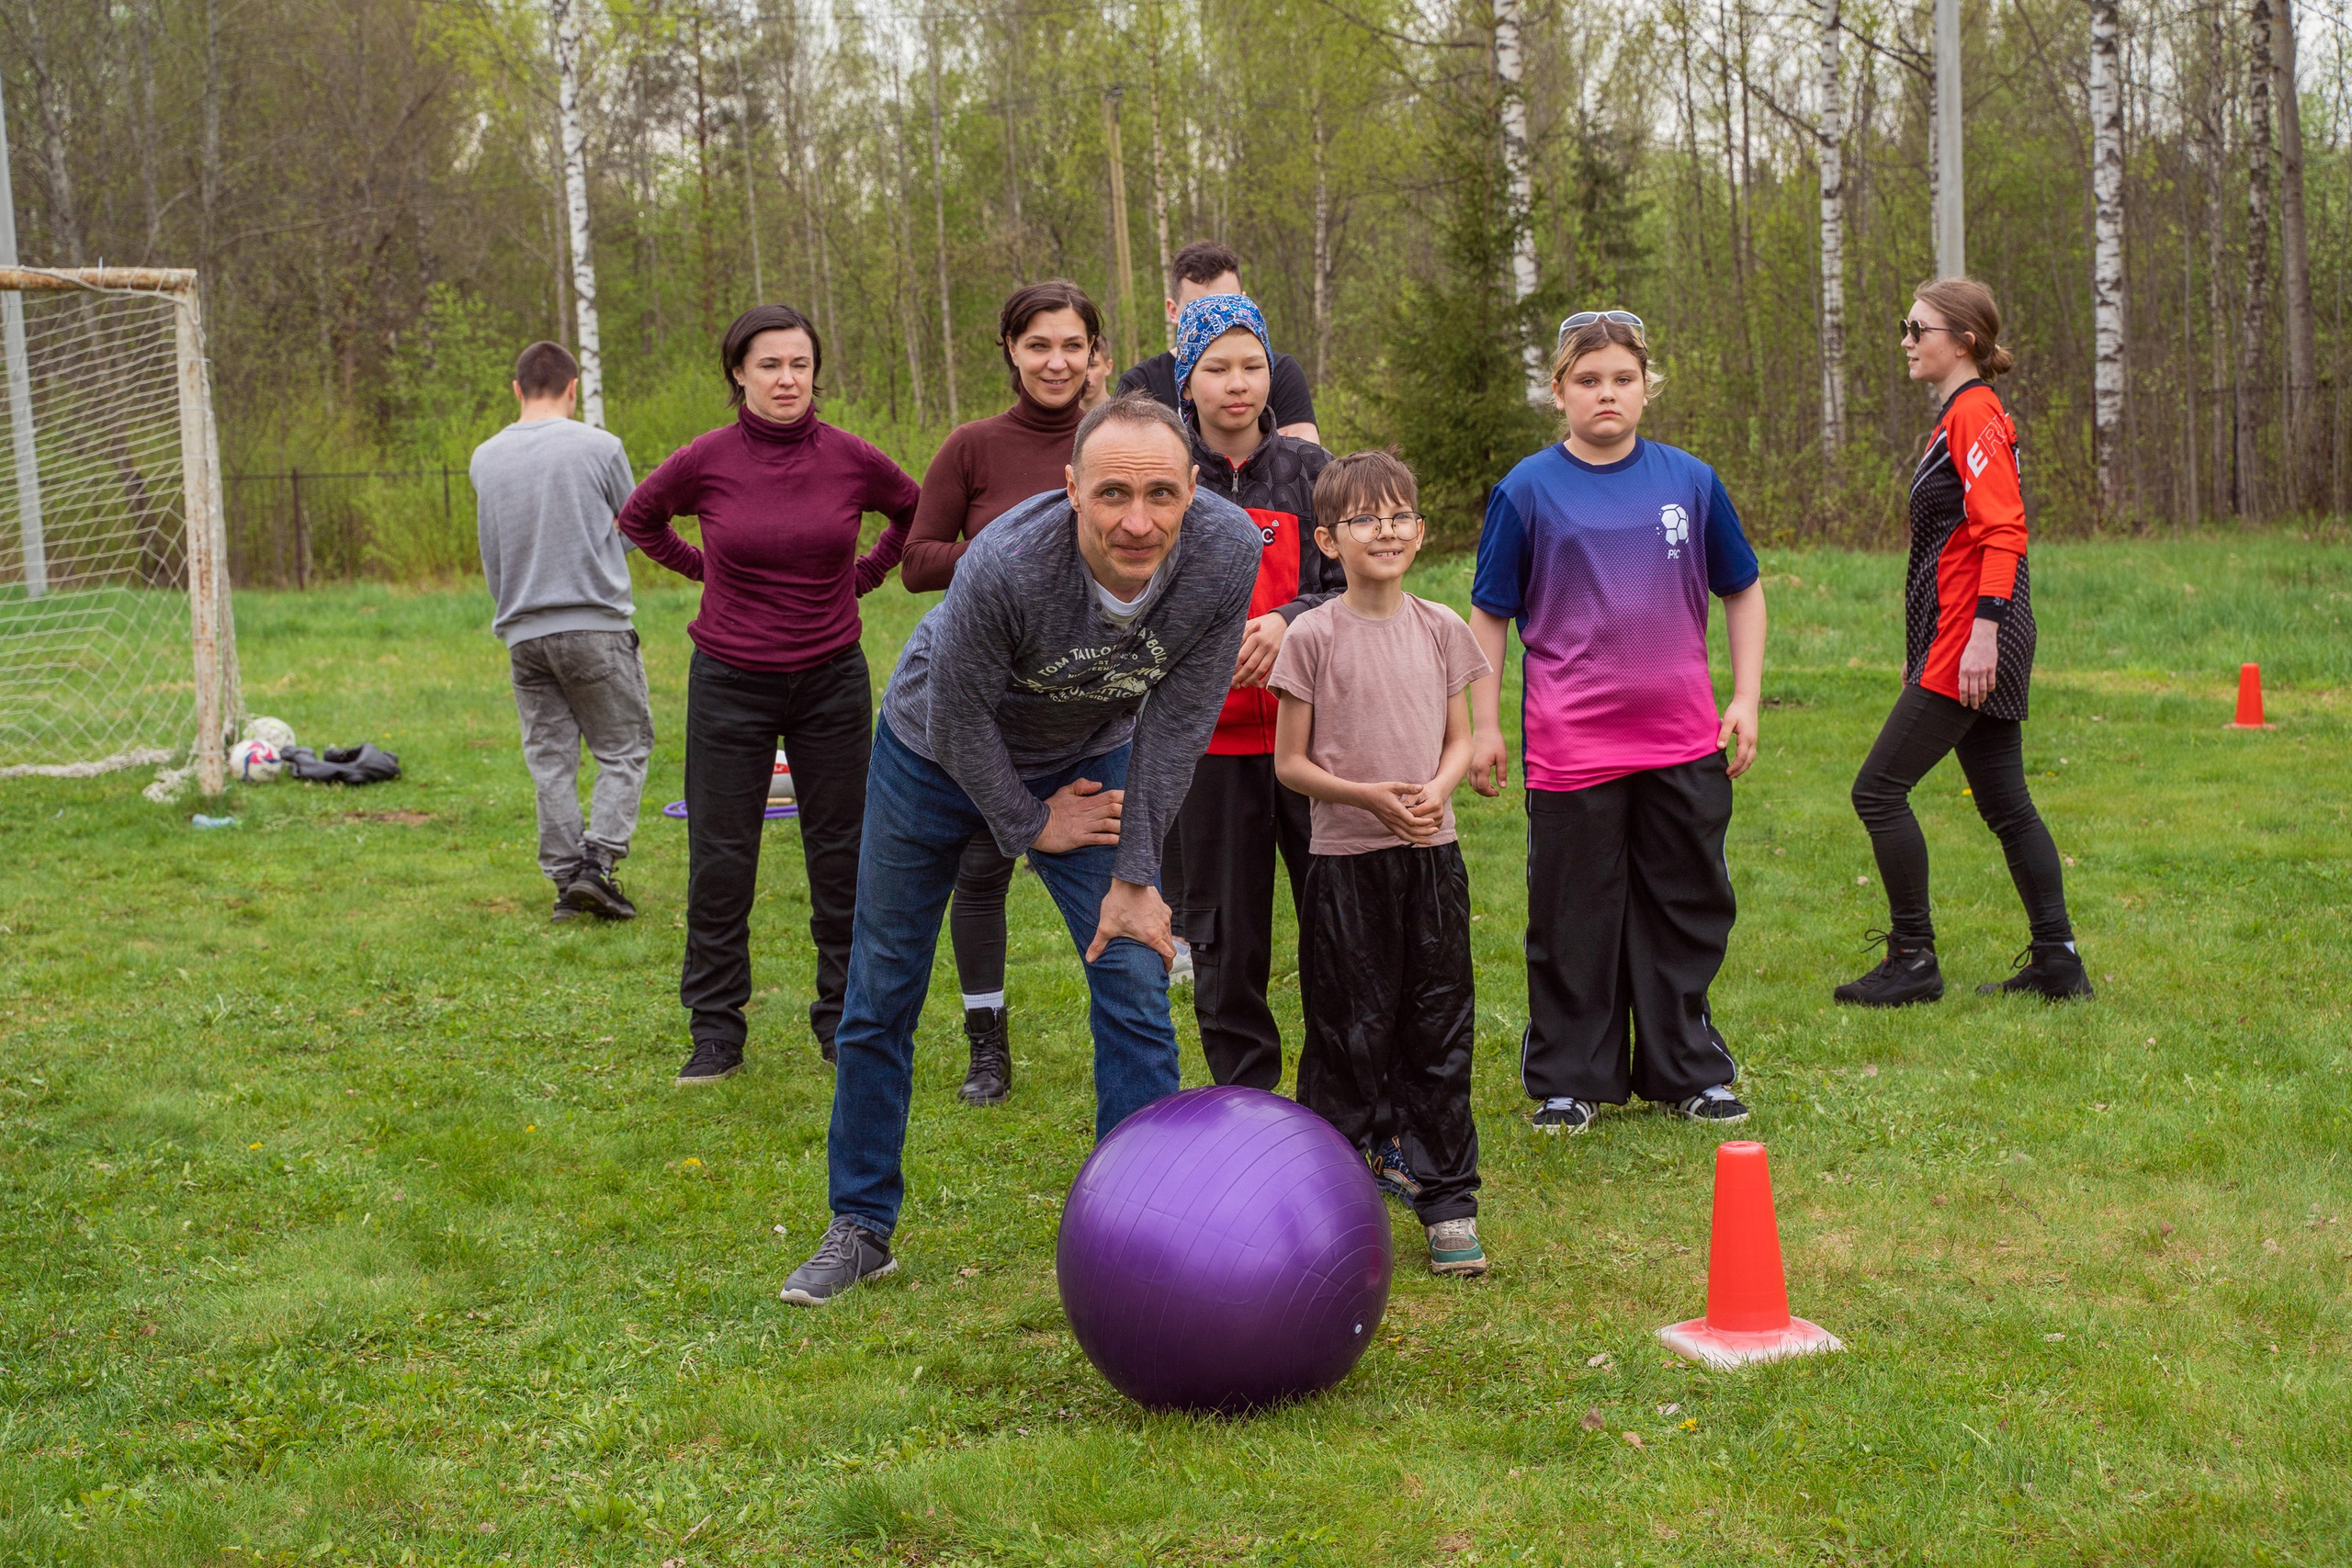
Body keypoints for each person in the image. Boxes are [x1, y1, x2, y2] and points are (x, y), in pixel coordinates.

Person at [779, 394, 1261, 1305]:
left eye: (1162, 494)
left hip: (1090, 751)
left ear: (1195, 489)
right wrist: (1032, 825)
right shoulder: (1004, 563)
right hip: (930, 754)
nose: (1137, 521)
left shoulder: (1227, 550)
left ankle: (1141, 1224)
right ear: (1070, 487)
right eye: (1112, 493)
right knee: (881, 986)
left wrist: (1135, 876)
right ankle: (861, 1225)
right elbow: (957, 718)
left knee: (1130, 962)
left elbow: (1181, 714)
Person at [1469, 311, 1768, 1134]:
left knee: (1684, 903)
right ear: (1559, 391)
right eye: (1589, 380)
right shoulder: (1527, 490)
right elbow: (1489, 614)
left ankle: (1687, 1069)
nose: (1607, 393)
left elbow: (1741, 587)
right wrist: (1484, 724)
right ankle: (1569, 1077)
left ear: (1647, 387)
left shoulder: (1691, 481)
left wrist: (1743, 697)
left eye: (1622, 379)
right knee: (1574, 914)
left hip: (1682, 739)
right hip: (1572, 749)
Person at [619, 304, 921, 1086]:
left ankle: (842, 1022)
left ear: (815, 371)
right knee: (721, 858)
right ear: (738, 374)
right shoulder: (706, 459)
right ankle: (716, 1032)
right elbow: (640, 517)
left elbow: (914, 511)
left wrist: (866, 574)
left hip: (831, 680)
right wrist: (705, 571)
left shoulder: (852, 457)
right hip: (729, 681)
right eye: (769, 365)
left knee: (843, 854)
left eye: (799, 364)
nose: (787, 379)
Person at [1834, 278, 2090, 1006]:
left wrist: (1982, 634)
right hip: (1975, 634)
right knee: (2007, 801)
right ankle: (2058, 962)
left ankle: (1913, 959)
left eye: (1919, 328)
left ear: (1963, 340)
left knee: (1878, 791)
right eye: (1905, 325)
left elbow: (2003, 529)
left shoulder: (1974, 413)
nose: (1907, 340)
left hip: (1972, 639)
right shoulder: (1959, 415)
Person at [1271, 449, 1492, 1277]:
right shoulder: (1312, 636)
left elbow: (1462, 737)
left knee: (1437, 1024)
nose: (1385, 530)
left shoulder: (1443, 628)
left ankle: (1446, 1200)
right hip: (1344, 865)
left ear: (1421, 530)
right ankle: (1324, 1200)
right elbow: (1291, 765)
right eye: (1364, 518)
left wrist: (1436, 787)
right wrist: (1369, 797)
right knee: (1346, 1029)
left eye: (1399, 515)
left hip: (1432, 861)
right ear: (1329, 541)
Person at [901, 279, 1105, 1107]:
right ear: (1010, 352)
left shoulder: (1117, 440)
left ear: (1096, 354)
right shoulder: (973, 446)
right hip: (983, 697)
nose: (1055, 362)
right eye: (1037, 345)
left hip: (1090, 702)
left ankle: (1126, 1043)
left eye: (1071, 345)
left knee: (1107, 873)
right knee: (980, 870)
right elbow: (917, 560)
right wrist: (1007, 555)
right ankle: (988, 1047)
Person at [1167, 292, 1343, 1091]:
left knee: (1337, 928)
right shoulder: (1165, 475)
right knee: (1226, 940)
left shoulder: (1312, 473)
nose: (1238, 383)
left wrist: (1289, 619)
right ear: (1187, 375)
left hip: (1317, 745)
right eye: (1217, 367)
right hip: (1209, 749)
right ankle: (1245, 1100)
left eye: (1252, 364)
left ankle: (1342, 1098)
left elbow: (1353, 584)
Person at [470, 341, 653, 924]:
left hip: (523, 630)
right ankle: (595, 866)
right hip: (594, 623)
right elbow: (636, 527)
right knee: (623, 748)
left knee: (550, 761)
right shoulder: (600, 447)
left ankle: (564, 885)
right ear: (574, 388)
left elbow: (491, 545)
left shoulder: (485, 457)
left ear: (517, 389)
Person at [1115, 240, 1320, 444]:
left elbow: (1303, 458)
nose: (1219, 321)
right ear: (1173, 311)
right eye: (1201, 310)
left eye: (1229, 304)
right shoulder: (1140, 385)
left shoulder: (1282, 372)